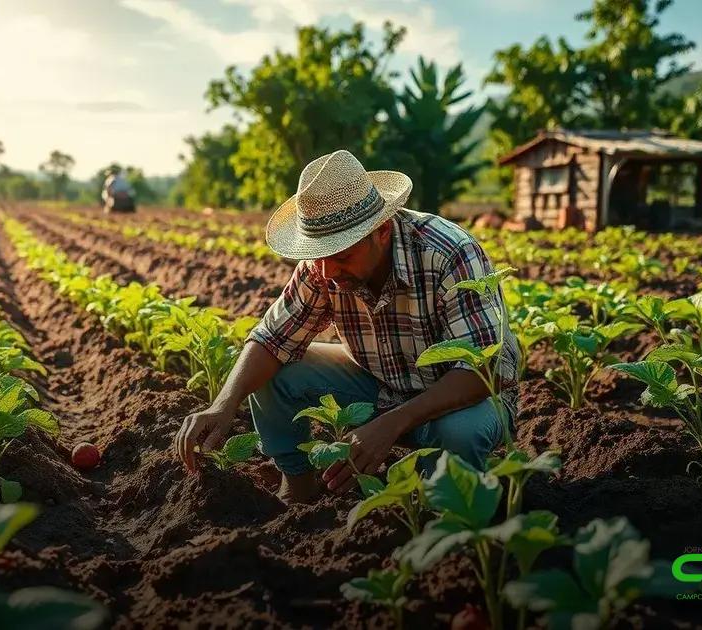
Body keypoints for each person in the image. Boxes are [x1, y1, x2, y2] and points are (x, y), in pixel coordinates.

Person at [174, 149, 520, 503]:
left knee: (459, 435)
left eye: (340, 256)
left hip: (462, 398)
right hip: (381, 384)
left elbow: (481, 370)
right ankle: (298, 488)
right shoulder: (322, 267)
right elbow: (271, 339)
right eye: (318, 257)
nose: (326, 272)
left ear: (381, 230)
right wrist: (223, 403)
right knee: (275, 372)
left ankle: (443, 512)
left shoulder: (448, 252)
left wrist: (391, 424)